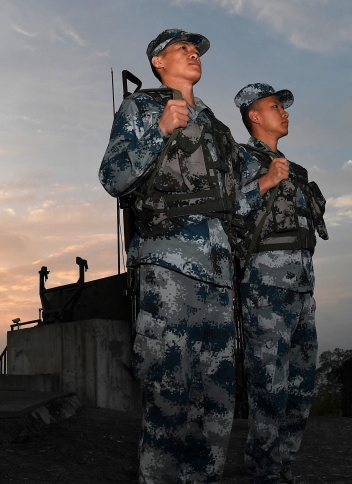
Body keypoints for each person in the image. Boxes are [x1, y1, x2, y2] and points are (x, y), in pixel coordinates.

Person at [99, 29, 244, 483]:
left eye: (196, 48)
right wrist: (161, 130)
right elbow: (112, 176)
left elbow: (235, 200)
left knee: (217, 406)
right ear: (158, 62)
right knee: (168, 396)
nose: (193, 53)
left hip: (220, 279)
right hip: (167, 271)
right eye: (182, 48)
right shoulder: (141, 109)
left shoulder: (217, 125)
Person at [232, 84, 328, 484]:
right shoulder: (238, 158)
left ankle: (280, 467)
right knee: (269, 388)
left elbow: (304, 231)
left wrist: (309, 284)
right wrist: (266, 181)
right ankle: (264, 469)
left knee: (301, 387)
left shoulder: (298, 170)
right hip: (264, 288)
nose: (283, 113)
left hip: (301, 290)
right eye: (274, 107)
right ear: (255, 116)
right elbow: (224, 213)